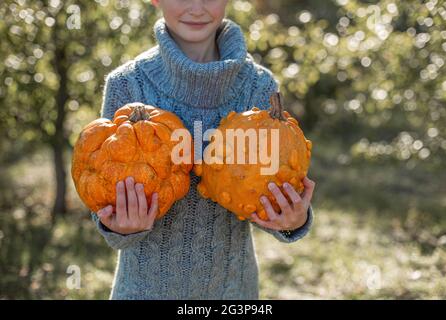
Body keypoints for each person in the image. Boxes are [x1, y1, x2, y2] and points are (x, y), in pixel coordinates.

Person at [93, 0, 316, 299]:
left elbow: (268, 189)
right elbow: (101, 199)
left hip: (232, 292)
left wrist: (292, 221)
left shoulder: (260, 87)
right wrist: (119, 227)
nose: (196, 7)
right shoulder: (127, 85)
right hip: (143, 290)